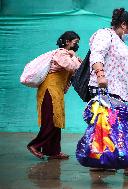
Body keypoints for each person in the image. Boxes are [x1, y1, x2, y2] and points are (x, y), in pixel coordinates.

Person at [87, 7, 128, 176]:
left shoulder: (121, 43)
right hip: (105, 90)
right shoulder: (105, 35)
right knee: (117, 129)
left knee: (105, 129)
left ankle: (101, 163)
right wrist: (100, 75)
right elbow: (96, 54)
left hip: (118, 92)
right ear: (123, 24)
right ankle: (127, 165)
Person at [27, 31, 82, 160]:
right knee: (50, 120)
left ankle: (53, 151)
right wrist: (74, 56)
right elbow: (73, 67)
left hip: (57, 91)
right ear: (67, 42)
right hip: (49, 90)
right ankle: (34, 145)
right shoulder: (61, 53)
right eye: (75, 43)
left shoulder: (68, 55)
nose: (76, 45)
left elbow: (80, 66)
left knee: (56, 120)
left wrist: (74, 57)